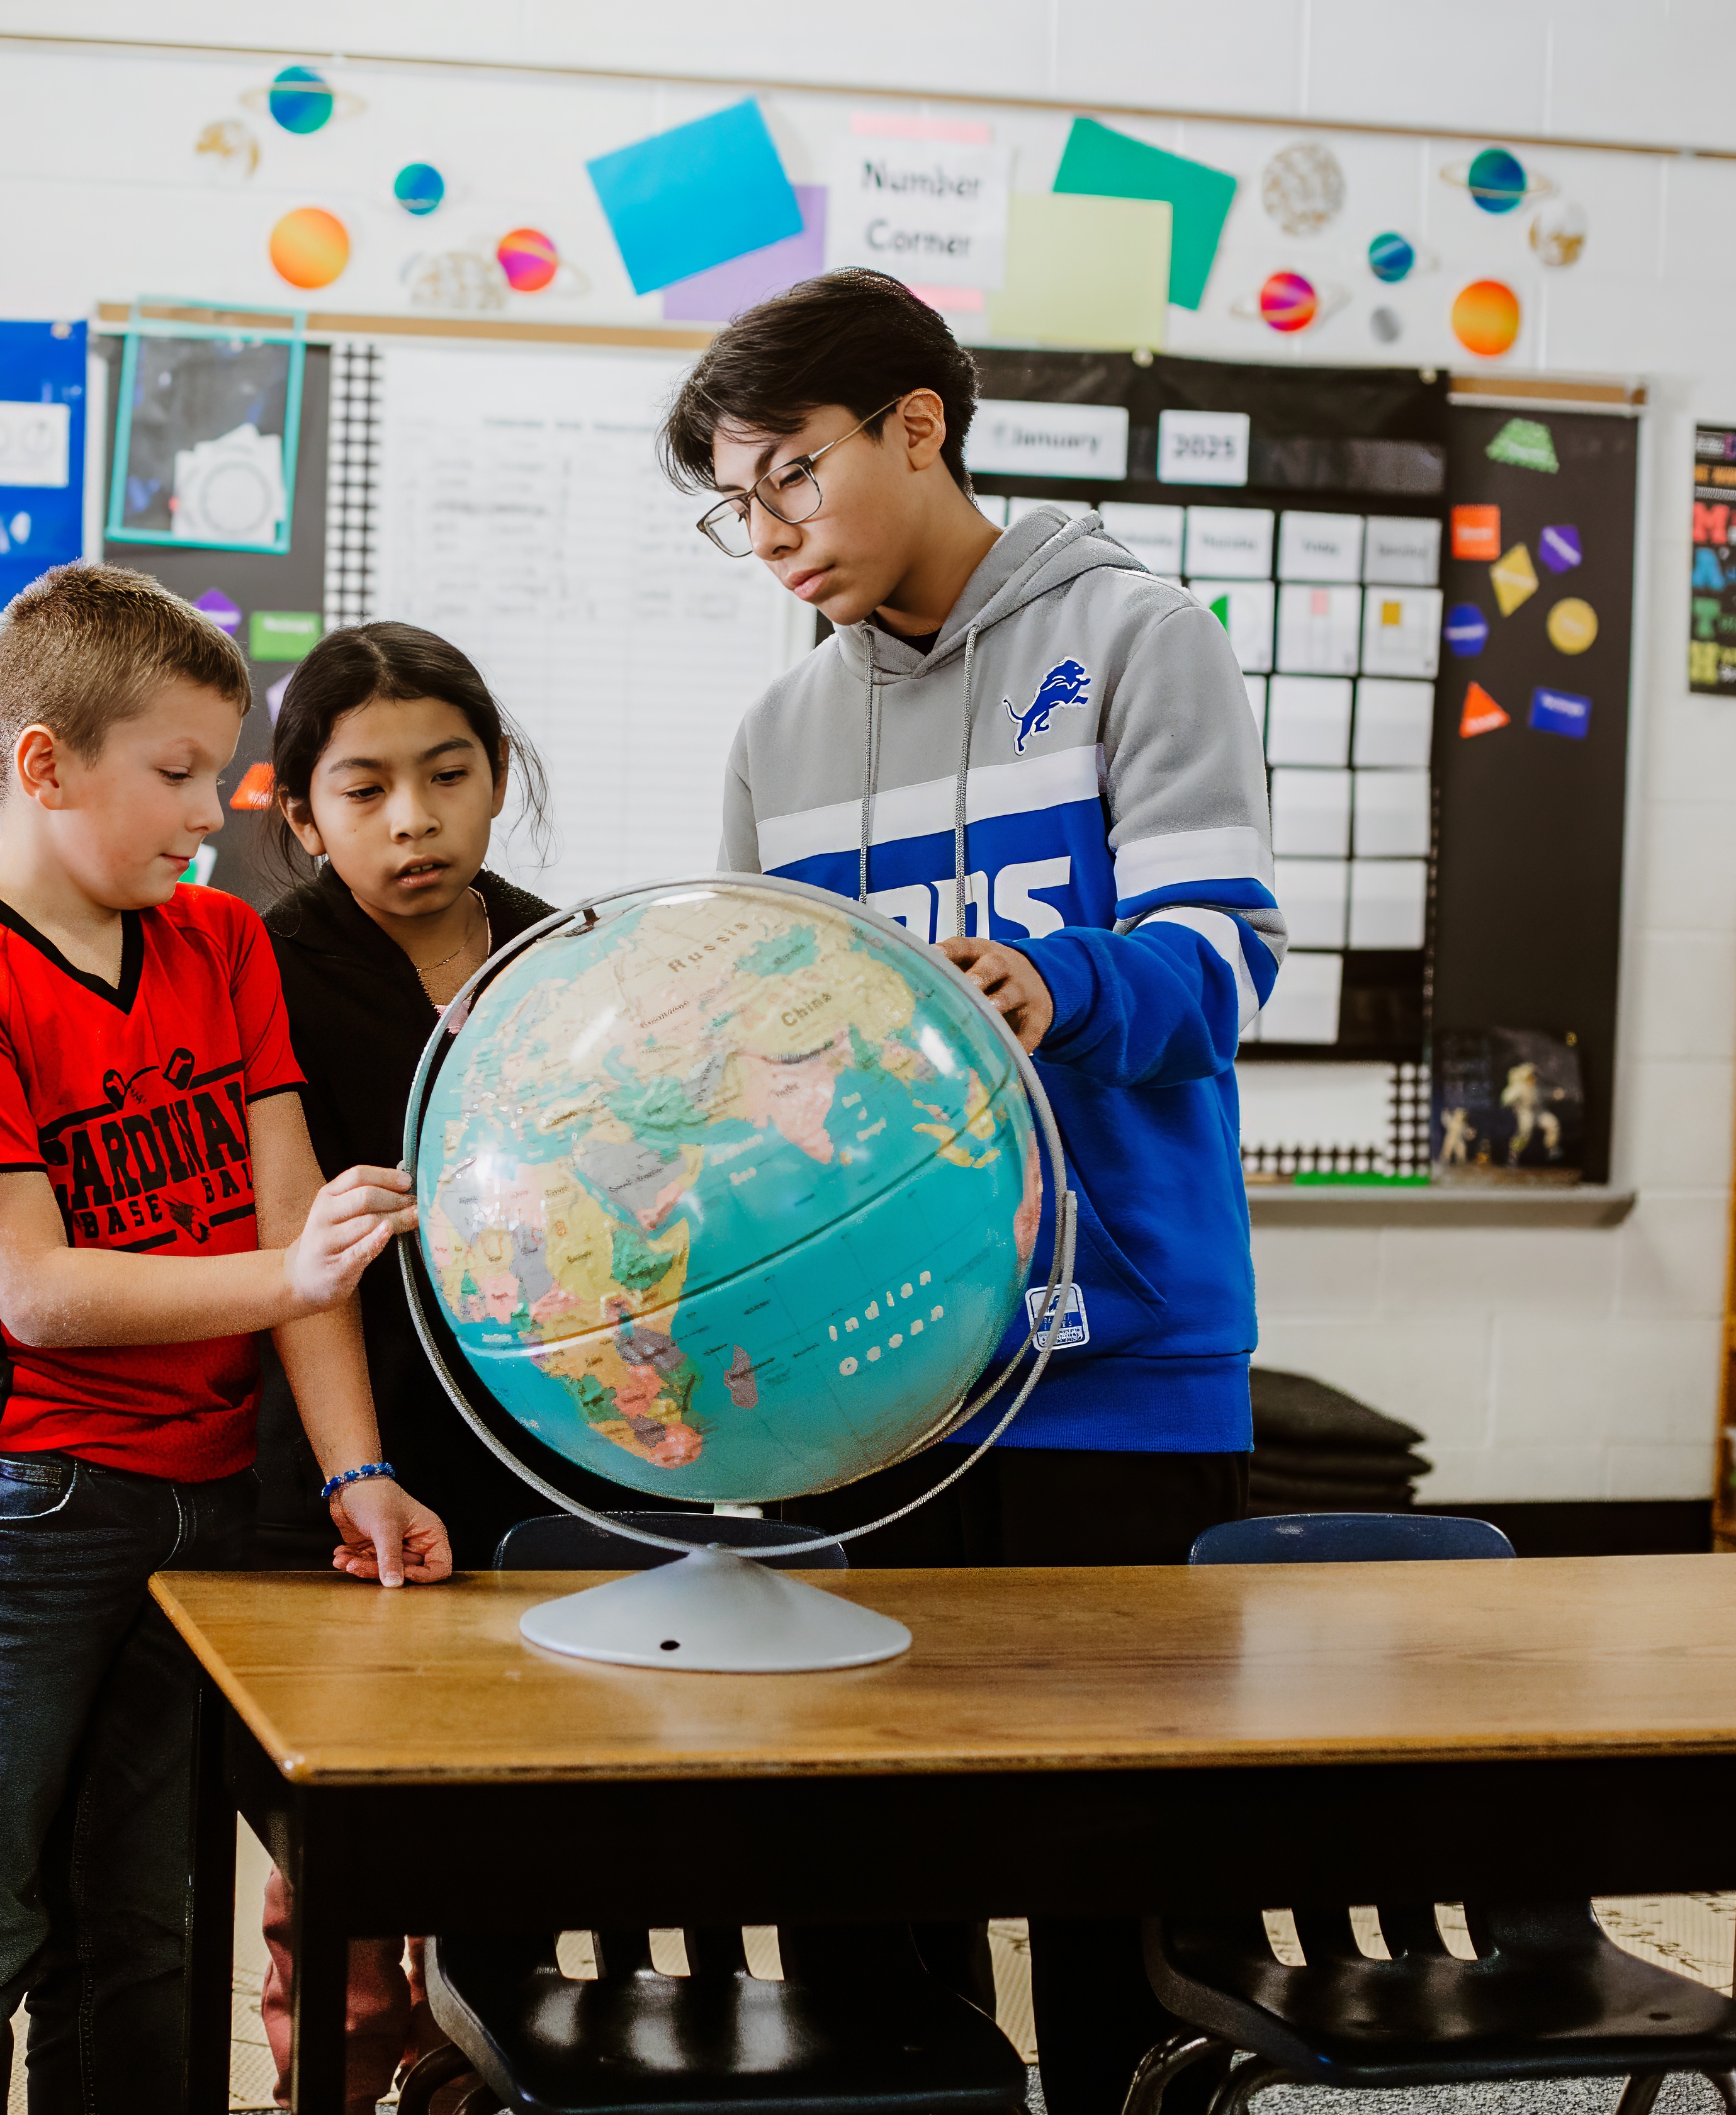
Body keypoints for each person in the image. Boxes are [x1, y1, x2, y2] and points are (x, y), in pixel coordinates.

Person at [660, 269, 1285, 2113]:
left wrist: (1060, 978)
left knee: (1129, 1895)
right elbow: (741, 1045)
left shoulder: (1140, 634)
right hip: (880, 1380)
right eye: (733, 504)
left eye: (791, 477)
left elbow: (1228, 966)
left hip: (1124, 1362)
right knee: (872, 1875)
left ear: (917, 426)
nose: (768, 534)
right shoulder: (779, 737)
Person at [0, 562, 453, 2115]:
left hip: (202, 1502)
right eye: (180, 774)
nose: (216, 810)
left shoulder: (219, 945)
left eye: (223, 772)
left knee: (147, 1919)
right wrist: (293, 1273)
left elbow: (291, 1211)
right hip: (21, 1506)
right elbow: (43, 1294)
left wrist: (354, 1471)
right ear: (45, 763)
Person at [248, 621, 668, 2110]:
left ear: (500, 781)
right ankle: (354, 2075)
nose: (413, 819)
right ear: (299, 816)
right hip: (347, 1455)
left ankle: (483, 2069)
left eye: (448, 774)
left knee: (512, 1819)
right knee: (349, 1840)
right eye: (363, 791)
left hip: (548, 1453)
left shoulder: (571, 959)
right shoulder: (262, 969)